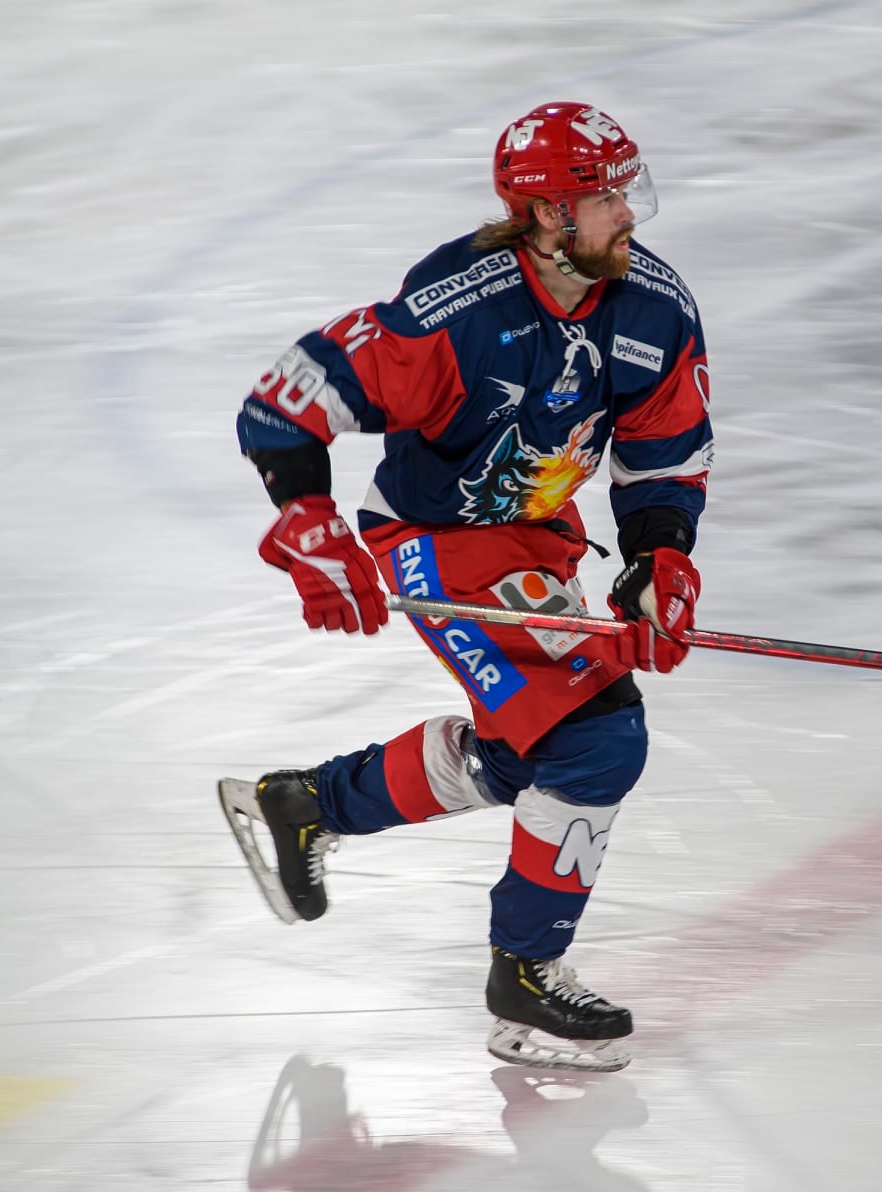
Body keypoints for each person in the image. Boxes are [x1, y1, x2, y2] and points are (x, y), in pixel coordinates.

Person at [217, 101, 713, 1073]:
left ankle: (308, 804)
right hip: (438, 541)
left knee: (531, 757)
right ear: (548, 214)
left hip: (539, 540)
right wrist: (309, 524)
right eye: (605, 198)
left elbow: (664, 454)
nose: (630, 214)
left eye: (628, 191)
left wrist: (658, 560)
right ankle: (525, 981)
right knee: (596, 737)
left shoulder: (653, 307)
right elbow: (283, 404)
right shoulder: (458, 312)